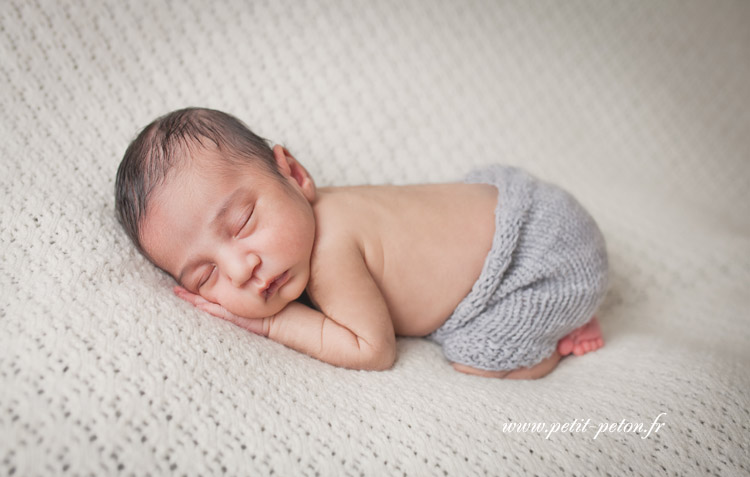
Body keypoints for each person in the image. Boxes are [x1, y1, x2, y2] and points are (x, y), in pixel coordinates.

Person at [115, 107, 608, 379]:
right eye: (207, 276)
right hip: (516, 203)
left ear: (294, 173)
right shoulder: (310, 213)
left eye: (242, 222)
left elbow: (372, 349)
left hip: (536, 264)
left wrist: (271, 324)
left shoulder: (330, 250)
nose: (240, 268)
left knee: (477, 360)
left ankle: (556, 341)